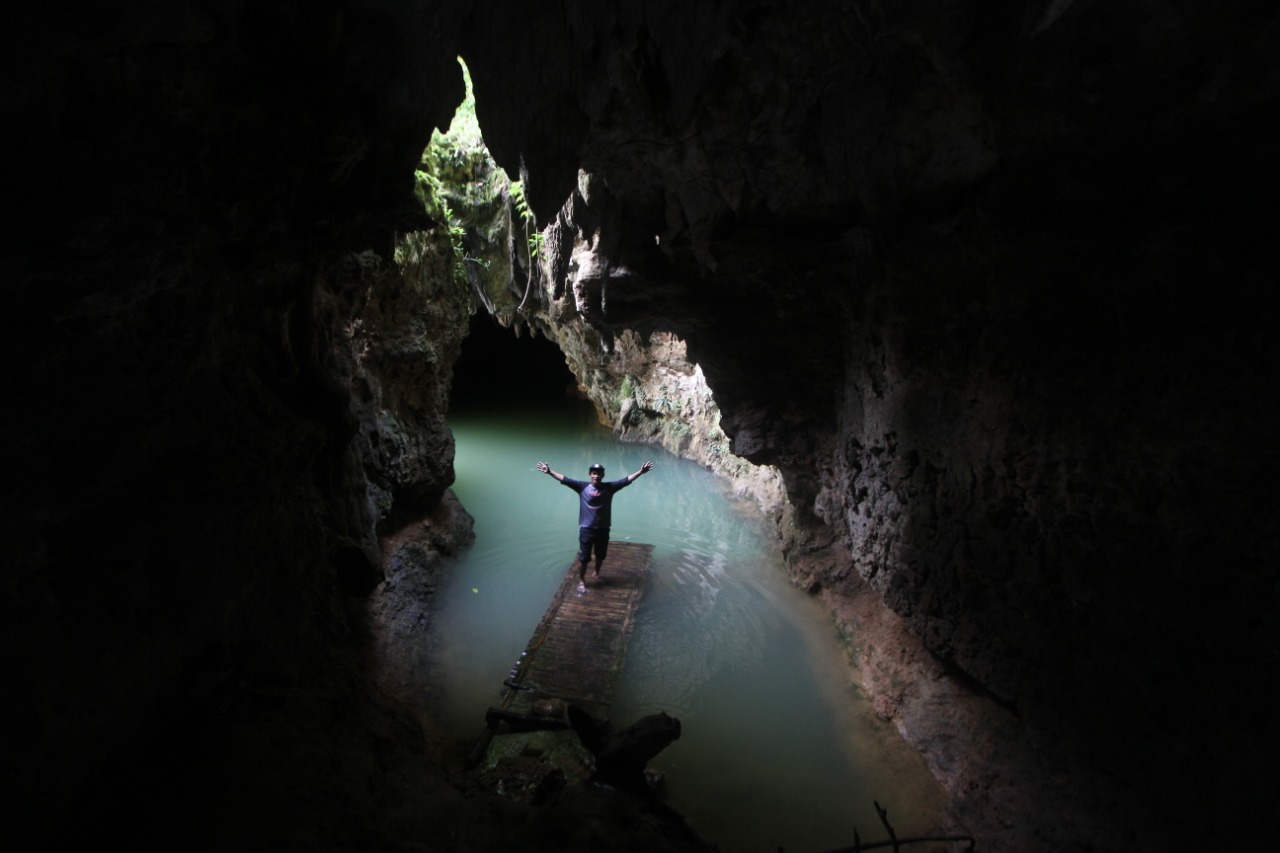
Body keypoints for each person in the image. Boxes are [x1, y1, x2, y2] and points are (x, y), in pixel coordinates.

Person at [536, 459, 654, 593]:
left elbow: (625, 480)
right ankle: (582, 580)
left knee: (600, 555)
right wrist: (549, 472)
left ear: (603, 476)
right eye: (593, 473)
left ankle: (596, 573)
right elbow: (565, 479)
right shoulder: (582, 487)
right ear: (589, 474)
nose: (596, 476)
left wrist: (641, 472)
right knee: (584, 558)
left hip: (603, 528)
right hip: (587, 529)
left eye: (599, 474)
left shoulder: (609, 488)